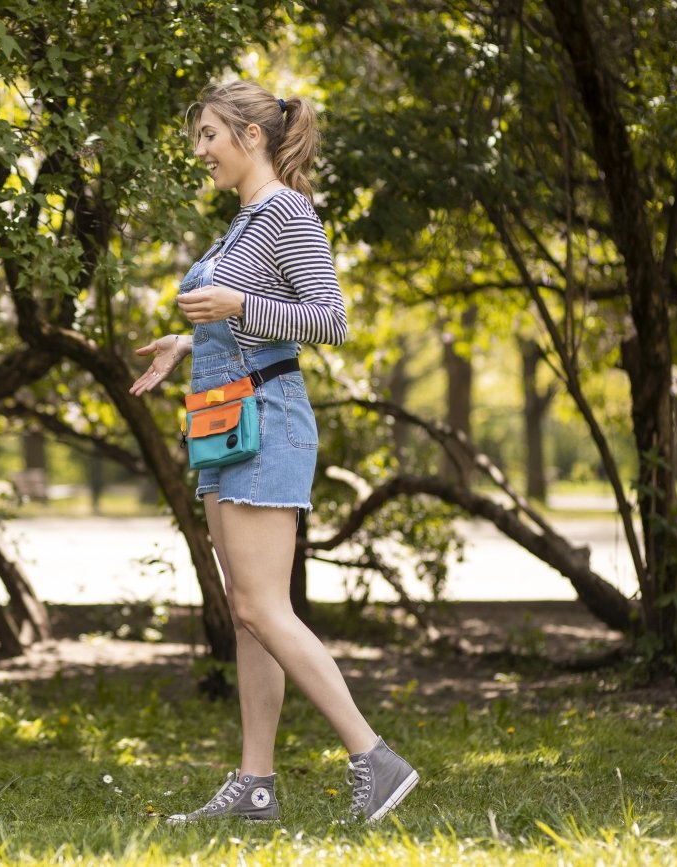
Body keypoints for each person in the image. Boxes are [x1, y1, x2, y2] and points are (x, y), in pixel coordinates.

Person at [129, 80, 419, 824]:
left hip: (270, 419)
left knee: (261, 603)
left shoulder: (287, 211)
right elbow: (249, 320)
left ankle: (374, 759)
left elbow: (330, 319)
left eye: (209, 136)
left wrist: (235, 307)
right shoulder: (242, 223)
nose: (201, 152)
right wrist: (190, 340)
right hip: (226, 421)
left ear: (251, 137)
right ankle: (255, 784)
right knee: (249, 608)